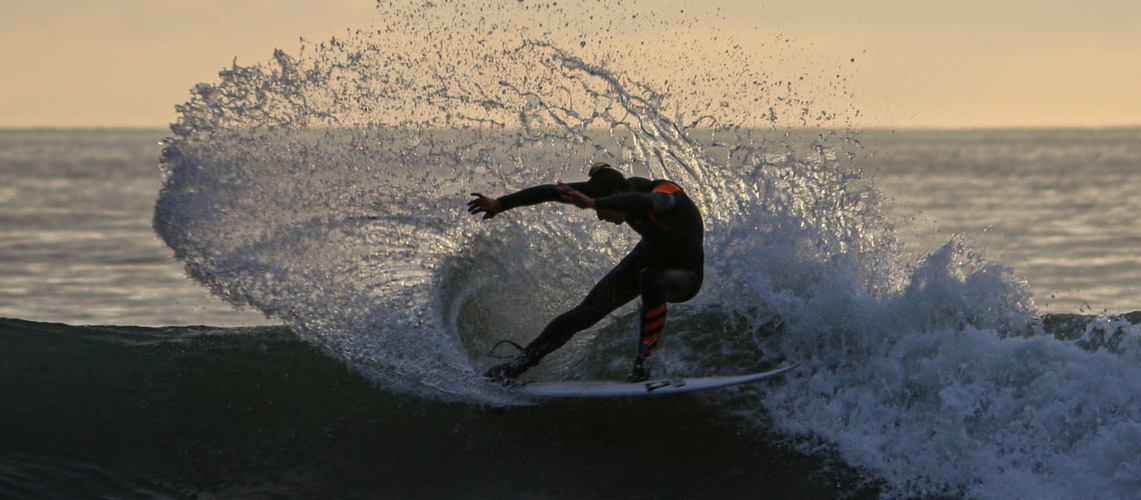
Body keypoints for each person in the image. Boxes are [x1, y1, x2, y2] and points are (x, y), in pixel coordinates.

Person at [467, 162, 704, 383]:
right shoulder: (614, 189)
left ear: (616, 197)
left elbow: (655, 202)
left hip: (685, 274)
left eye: (602, 208)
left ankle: (643, 368)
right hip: (649, 257)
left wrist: (595, 204)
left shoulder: (664, 194)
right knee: (584, 313)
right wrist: (501, 203)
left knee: (651, 279)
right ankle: (518, 365)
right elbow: (552, 192)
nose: (601, 217)